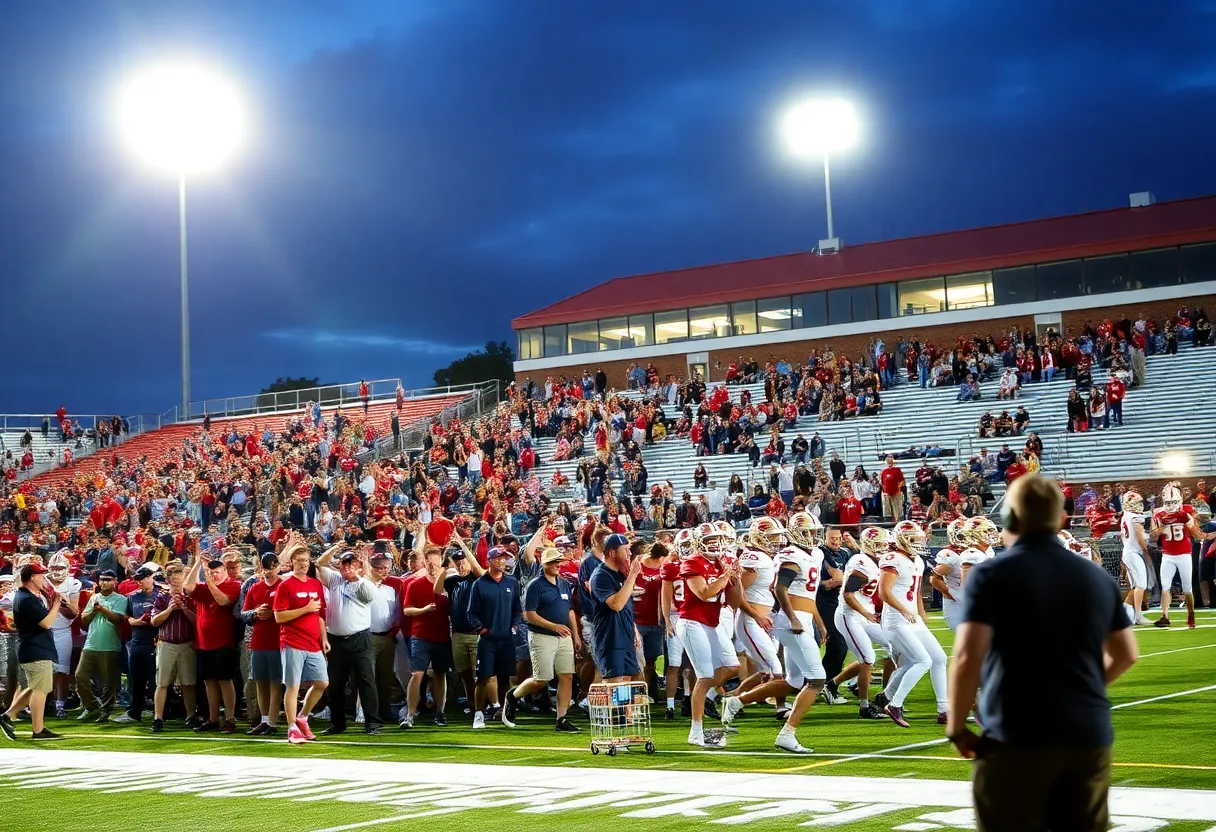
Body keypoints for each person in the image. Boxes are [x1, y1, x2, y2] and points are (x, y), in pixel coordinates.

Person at [947, 474, 1139, 832]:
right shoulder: (1096, 577)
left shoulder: (992, 574)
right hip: (1087, 732)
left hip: (1016, 732)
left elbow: (966, 658)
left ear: (1010, 518)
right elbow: (1127, 654)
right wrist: (1083, 686)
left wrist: (957, 728)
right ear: (1062, 519)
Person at [875, 520, 949, 727]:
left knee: (939, 659)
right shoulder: (893, 558)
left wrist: (920, 612)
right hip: (896, 621)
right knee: (921, 661)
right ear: (902, 540)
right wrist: (903, 610)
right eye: (913, 539)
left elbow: (915, 589)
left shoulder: (915, 559)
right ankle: (894, 704)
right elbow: (884, 591)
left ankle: (943, 710)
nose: (918, 543)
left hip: (911, 619)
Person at [505, 547, 581, 733]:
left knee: (566, 675)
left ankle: (562, 719)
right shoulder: (535, 585)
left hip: (563, 637)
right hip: (542, 636)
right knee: (542, 678)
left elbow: (569, 610)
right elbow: (529, 615)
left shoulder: (563, 584)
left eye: (558, 561)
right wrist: (553, 626)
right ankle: (514, 695)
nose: (558, 565)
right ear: (545, 564)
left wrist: (576, 634)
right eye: (554, 562)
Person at [273, 541, 330, 746]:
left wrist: (324, 639)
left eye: (306, 560)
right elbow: (279, 617)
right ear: (292, 562)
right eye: (299, 561)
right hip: (292, 642)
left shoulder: (315, 584)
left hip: (313, 642)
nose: (303, 564)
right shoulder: (285, 585)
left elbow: (320, 615)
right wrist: (305, 609)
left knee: (322, 682)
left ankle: (303, 717)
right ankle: (291, 728)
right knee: (293, 686)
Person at [0, 563, 64, 740]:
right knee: (40, 690)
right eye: (41, 575)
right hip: (35, 648)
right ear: (32, 577)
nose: (44, 578)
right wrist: (56, 605)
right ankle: (38, 730)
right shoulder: (26, 599)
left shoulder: (26, 596)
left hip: (34, 647)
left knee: (35, 686)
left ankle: (8, 715)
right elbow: (46, 623)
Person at [466, 545, 522, 728]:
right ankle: (479, 714)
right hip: (488, 640)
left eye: (504, 558)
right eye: (498, 558)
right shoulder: (479, 584)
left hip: (507, 639)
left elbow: (517, 609)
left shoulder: (512, 582)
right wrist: (482, 630)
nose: (502, 561)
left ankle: (504, 714)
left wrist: (514, 626)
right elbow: (471, 612)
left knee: (506, 678)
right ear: (489, 560)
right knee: (483, 677)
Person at [75, 569, 129, 722]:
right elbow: (84, 619)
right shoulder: (94, 598)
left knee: (108, 681)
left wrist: (102, 609)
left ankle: (106, 710)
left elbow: (118, 619)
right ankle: (91, 706)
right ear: (98, 582)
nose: (105, 582)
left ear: (115, 582)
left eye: (108, 579)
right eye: (102, 579)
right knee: (80, 676)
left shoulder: (121, 599)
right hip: (91, 643)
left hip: (110, 645)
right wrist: (94, 610)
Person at [241, 553, 284, 735]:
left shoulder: (284, 586)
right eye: (266, 568)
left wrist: (274, 614)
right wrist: (255, 613)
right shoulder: (255, 588)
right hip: (258, 641)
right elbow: (243, 614)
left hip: (278, 641)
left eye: (272, 567)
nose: (269, 572)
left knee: (275, 683)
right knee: (260, 682)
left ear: (279, 567)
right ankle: (264, 719)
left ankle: (272, 721)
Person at [1151, 483, 1200, 628]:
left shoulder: (1187, 510)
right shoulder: (1158, 513)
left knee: (1187, 588)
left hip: (1184, 553)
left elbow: (1195, 528)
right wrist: (1158, 530)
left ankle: (1191, 614)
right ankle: (1165, 616)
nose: (1170, 505)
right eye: (1168, 502)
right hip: (1167, 554)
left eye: (1173, 502)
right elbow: (1154, 535)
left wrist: (1189, 520)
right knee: (1165, 585)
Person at [1119, 491, 1151, 625]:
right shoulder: (1134, 517)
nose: (1139, 505)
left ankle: (1123, 613)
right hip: (1133, 552)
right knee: (1141, 584)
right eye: (1137, 502)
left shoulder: (1125, 516)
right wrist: (1147, 551)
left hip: (1128, 551)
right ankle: (1138, 615)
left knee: (1135, 586)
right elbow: (1139, 537)